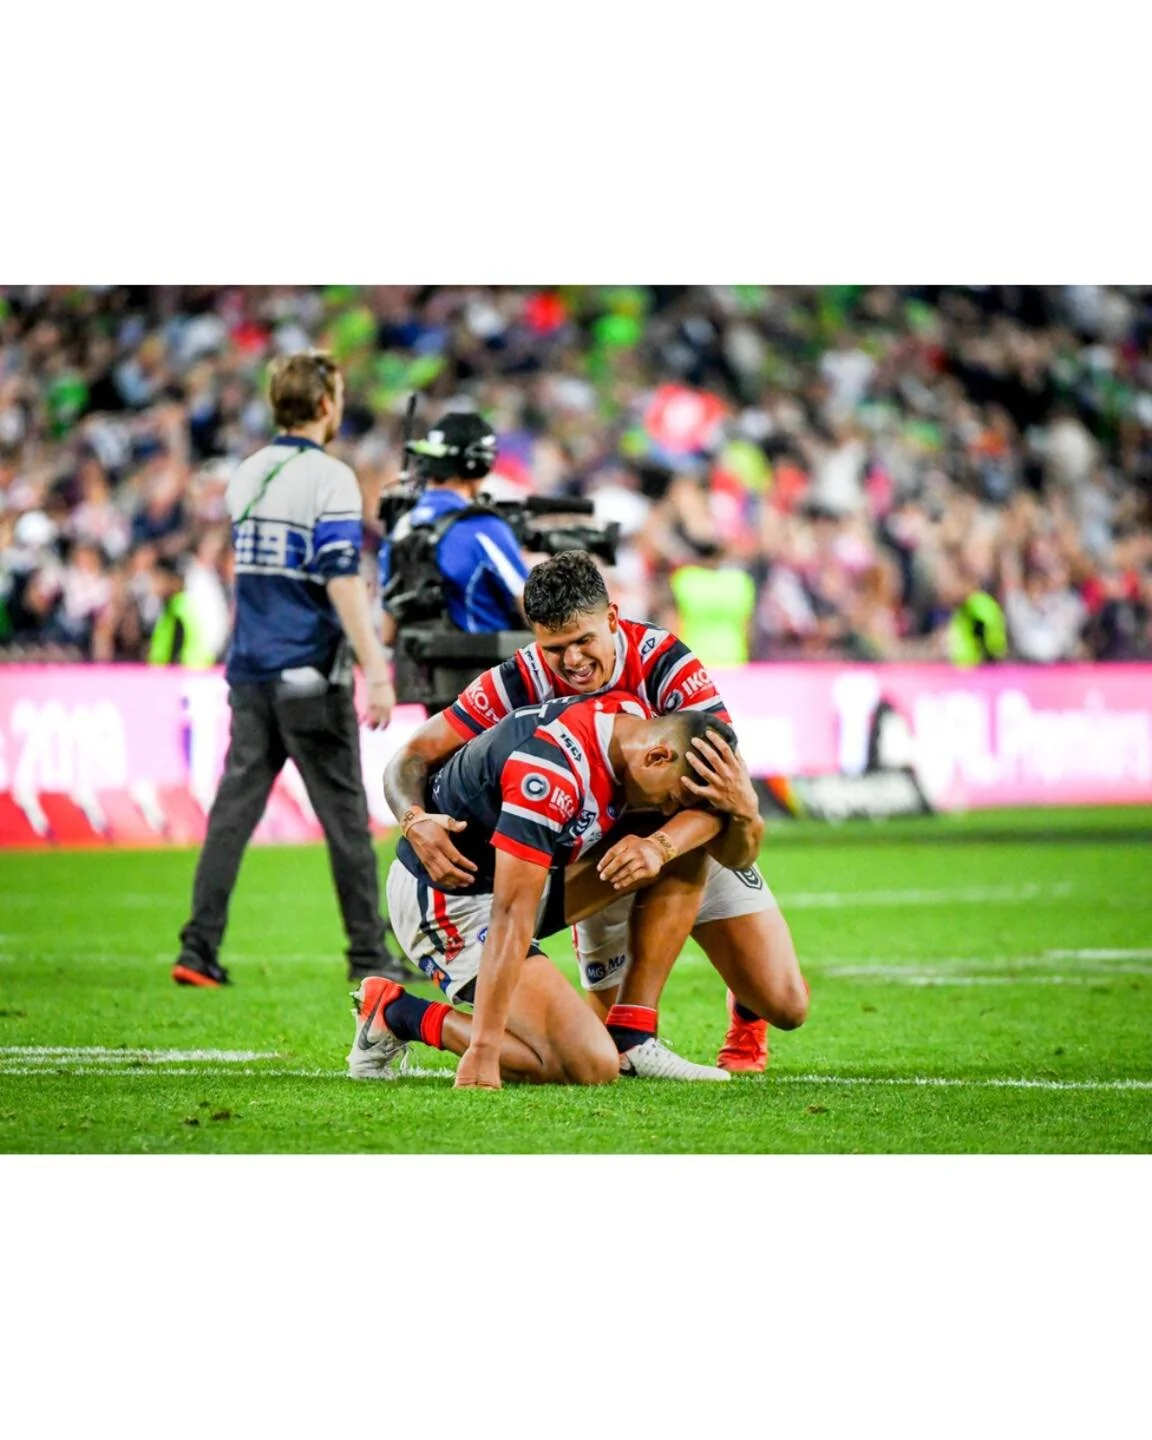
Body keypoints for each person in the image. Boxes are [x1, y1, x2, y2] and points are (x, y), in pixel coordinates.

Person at [382, 549, 809, 1074]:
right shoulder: (519, 683)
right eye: (555, 647)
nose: (574, 661)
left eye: (585, 641)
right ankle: (627, 1031)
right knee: (588, 1057)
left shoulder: (664, 664)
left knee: (787, 1002)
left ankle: (713, 1020)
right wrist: (413, 819)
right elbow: (410, 757)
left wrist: (662, 844)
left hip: (659, 838)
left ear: (613, 618)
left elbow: (724, 789)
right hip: (554, 858)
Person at [353, 690, 743, 1088]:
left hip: (517, 877)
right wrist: (483, 1050)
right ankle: (395, 1013)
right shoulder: (547, 774)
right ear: (657, 757)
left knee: (682, 846)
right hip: (449, 899)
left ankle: (633, 1033)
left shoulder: (628, 716)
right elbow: (510, 913)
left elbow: (735, 841)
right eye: (672, 796)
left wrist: (665, 843)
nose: (665, 809)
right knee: (590, 1064)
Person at [172, 350, 409, 988]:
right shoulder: (329, 477)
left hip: (249, 669)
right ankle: (368, 953)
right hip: (309, 671)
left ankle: (197, 947)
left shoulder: (248, 473)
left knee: (232, 814)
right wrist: (376, 669)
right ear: (327, 404)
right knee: (345, 818)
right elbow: (338, 578)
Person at [378, 410, 529, 661]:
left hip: (428, 687)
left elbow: (387, 634)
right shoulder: (482, 526)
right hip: (490, 683)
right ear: (479, 461)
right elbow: (530, 606)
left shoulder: (403, 526)